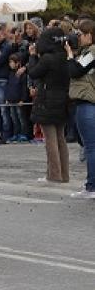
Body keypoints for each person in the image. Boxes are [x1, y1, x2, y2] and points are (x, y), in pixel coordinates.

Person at [28, 26, 71, 183]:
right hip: (63, 99)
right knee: (61, 138)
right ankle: (64, 174)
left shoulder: (47, 59)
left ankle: (53, 175)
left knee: (50, 140)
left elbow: (33, 72)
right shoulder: (66, 56)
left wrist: (32, 56)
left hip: (47, 99)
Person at [66, 19, 95, 198]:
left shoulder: (92, 52)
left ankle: (91, 187)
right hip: (87, 104)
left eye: (82, 34)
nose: (79, 37)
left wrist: (69, 55)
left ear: (90, 35)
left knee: (91, 147)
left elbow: (75, 71)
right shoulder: (88, 52)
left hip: (88, 104)